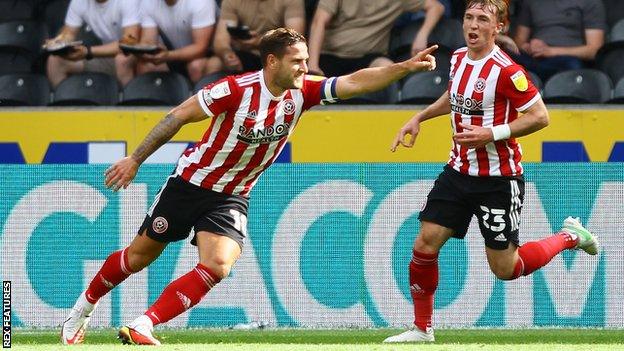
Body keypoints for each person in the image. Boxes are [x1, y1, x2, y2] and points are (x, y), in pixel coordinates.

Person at [60, 28, 438, 345]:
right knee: (139, 257)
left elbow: (353, 82)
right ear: (272, 62)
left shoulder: (302, 92)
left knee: (219, 264)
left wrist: (404, 67)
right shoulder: (233, 90)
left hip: (232, 194)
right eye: (298, 61)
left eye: (306, 60)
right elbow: (176, 116)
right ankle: (84, 307)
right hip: (190, 184)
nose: (305, 68)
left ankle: (145, 323)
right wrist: (136, 159)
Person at [384, 0, 599, 343]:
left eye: (482, 19)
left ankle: (571, 236)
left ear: (498, 27)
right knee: (425, 244)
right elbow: (454, 96)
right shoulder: (457, 58)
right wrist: (419, 117)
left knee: (506, 269)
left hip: (498, 178)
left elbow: (540, 116)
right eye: (469, 17)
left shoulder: (507, 71)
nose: (472, 25)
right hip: (458, 171)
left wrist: (491, 133)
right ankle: (422, 329)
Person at [307, 0, 445, 77]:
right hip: (330, 56)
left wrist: (422, 35)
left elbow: (436, 7)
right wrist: (313, 65)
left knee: (387, 66)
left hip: (369, 58)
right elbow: (319, 22)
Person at [44, 0, 140, 87]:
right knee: (55, 61)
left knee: (122, 60)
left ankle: (131, 103)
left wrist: (88, 51)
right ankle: (66, 103)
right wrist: (57, 43)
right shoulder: (80, 2)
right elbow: (69, 33)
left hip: (138, 53)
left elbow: (130, 42)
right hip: (108, 56)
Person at [512, 0, 606, 81]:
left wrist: (550, 51)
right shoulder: (531, 2)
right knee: (506, 58)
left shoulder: (590, 2)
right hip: (533, 57)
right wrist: (528, 47)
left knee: (573, 65)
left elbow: (594, 50)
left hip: (567, 59)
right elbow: (518, 41)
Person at [135, 0, 222, 84]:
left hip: (205, 55)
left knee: (195, 66)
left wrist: (169, 55)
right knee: (145, 66)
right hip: (171, 54)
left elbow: (201, 48)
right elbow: (148, 40)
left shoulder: (200, 2)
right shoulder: (148, 2)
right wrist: (144, 51)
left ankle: (197, 98)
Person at [213, 0, 306, 73]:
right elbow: (221, 39)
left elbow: (294, 39)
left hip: (279, 55)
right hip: (245, 55)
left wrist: (260, 41)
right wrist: (226, 54)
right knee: (214, 64)